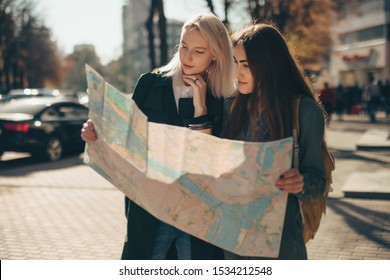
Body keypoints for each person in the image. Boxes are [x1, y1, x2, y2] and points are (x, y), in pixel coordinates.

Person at [81, 13, 235, 260]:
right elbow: (125, 138)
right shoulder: (150, 84)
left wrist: (200, 109)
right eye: (184, 47)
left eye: (198, 51)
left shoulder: (223, 98)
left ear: (215, 54)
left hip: (196, 214)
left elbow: (209, 159)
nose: (187, 57)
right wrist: (95, 132)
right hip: (150, 209)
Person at [222, 22, 326, 260]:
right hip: (233, 239)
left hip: (281, 244)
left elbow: (318, 182)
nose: (237, 73)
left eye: (246, 65)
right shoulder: (231, 107)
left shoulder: (304, 111)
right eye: (236, 63)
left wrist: (300, 183)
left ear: (269, 65)